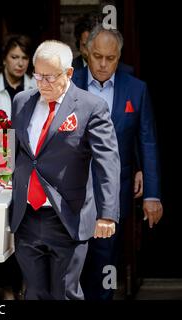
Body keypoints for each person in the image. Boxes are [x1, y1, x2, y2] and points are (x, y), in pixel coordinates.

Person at [10, 40, 121, 300]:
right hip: (27, 216)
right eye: (37, 75)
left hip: (67, 215)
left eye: (50, 77)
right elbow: (16, 152)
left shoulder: (90, 107)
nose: (42, 83)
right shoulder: (21, 101)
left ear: (68, 73)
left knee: (65, 293)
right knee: (33, 293)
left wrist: (107, 214)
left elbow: (108, 161)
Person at [72, 24, 163, 300]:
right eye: (97, 56)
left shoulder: (136, 89)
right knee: (70, 263)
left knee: (106, 263)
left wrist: (152, 195)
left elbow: (147, 141)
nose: (102, 64)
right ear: (86, 53)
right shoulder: (68, 85)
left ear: (119, 57)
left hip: (114, 192)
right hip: (71, 191)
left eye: (110, 58)